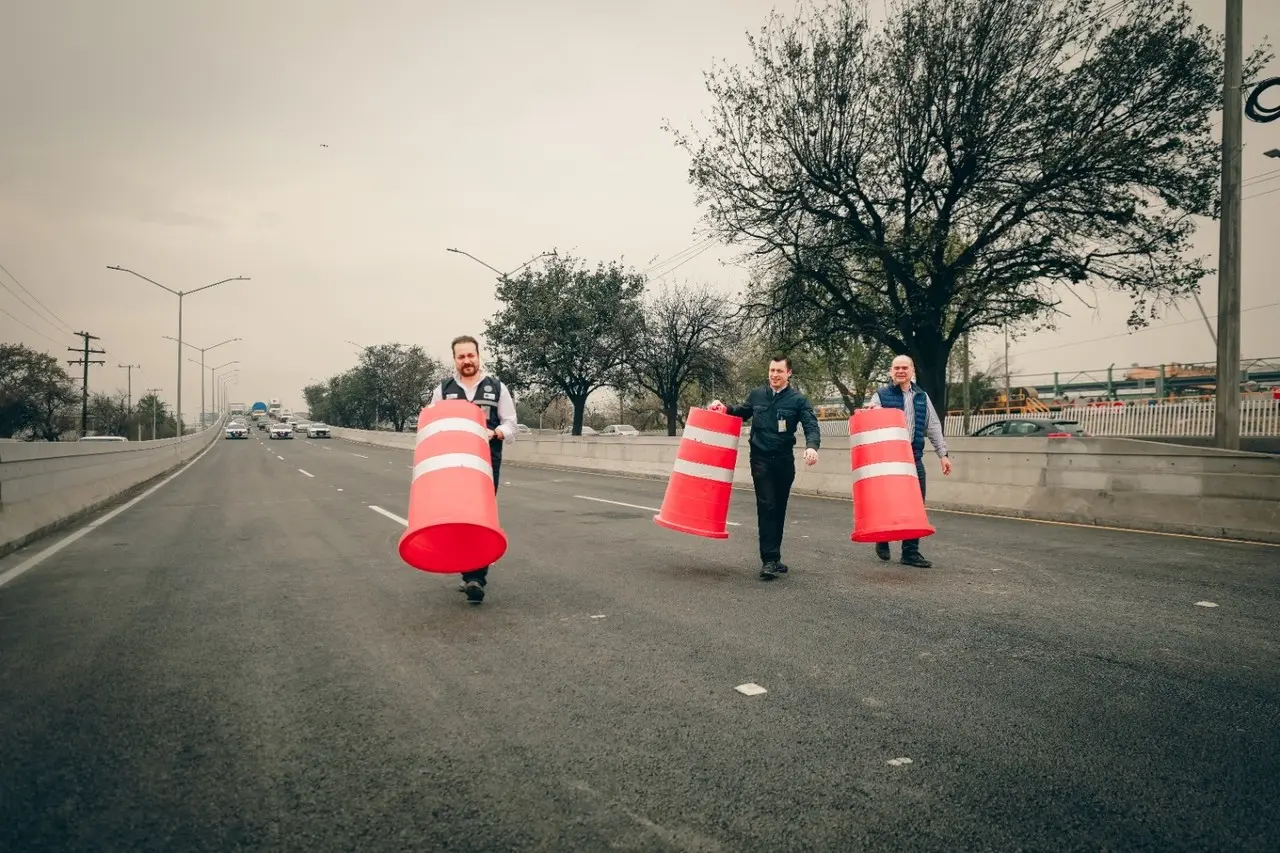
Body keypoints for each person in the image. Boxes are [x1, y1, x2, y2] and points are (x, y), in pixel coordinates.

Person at [708, 355, 821, 580]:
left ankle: (775, 558)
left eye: (779, 371)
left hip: (783, 460)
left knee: (778, 508)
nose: (774, 375)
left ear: (788, 373)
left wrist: (812, 447)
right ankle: (768, 560)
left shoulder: (798, 400)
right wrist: (724, 408)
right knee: (767, 505)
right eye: (771, 370)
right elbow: (743, 411)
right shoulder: (757, 394)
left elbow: (811, 424)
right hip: (760, 459)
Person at [427, 334, 518, 604]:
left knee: (481, 519)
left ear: (479, 356)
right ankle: (470, 573)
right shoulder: (442, 390)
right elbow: (434, 424)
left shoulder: (497, 388)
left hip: (487, 462)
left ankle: (476, 577)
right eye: (461, 356)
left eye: (471, 355)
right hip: (452, 465)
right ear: (454, 359)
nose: (466, 361)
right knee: (458, 518)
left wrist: (496, 433)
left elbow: (511, 424)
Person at [863, 354, 952, 568]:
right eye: (896, 368)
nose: (900, 371)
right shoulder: (881, 396)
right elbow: (869, 422)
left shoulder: (922, 397)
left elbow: (933, 427)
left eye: (904, 367)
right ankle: (882, 539)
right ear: (890, 371)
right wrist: (872, 414)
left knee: (915, 507)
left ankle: (910, 553)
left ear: (912, 371)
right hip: (888, 460)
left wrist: (943, 455)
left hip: (914, 459)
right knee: (887, 503)